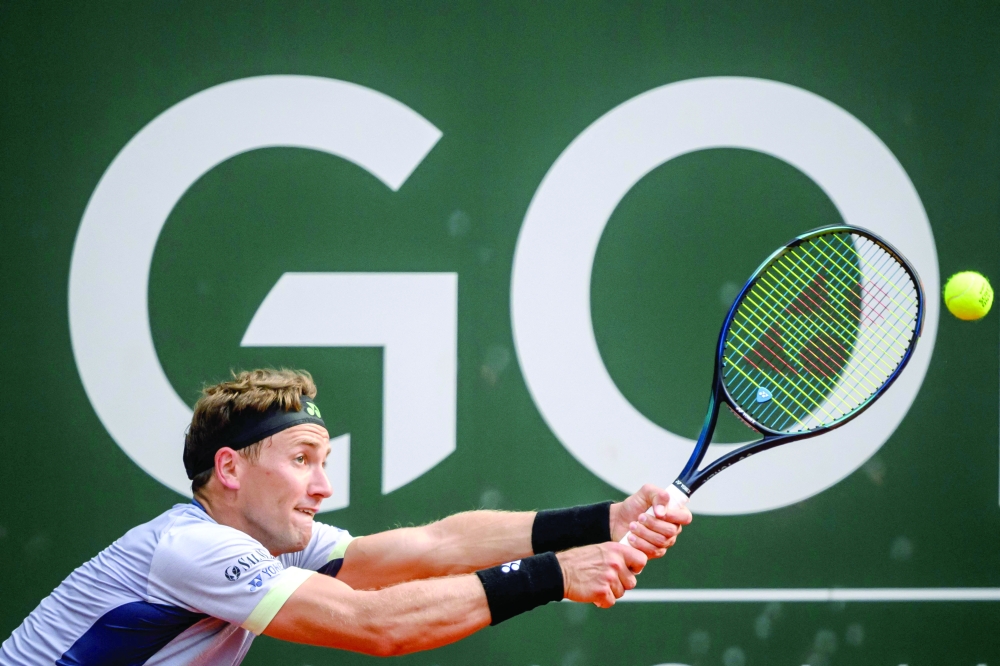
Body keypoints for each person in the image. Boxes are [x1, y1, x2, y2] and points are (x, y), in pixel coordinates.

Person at [0, 369, 692, 664]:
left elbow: (436, 545)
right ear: (231, 469)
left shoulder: (268, 543)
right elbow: (376, 625)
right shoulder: (193, 550)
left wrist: (609, 519)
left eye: (324, 459)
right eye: (302, 458)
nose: (324, 485)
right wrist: (553, 575)